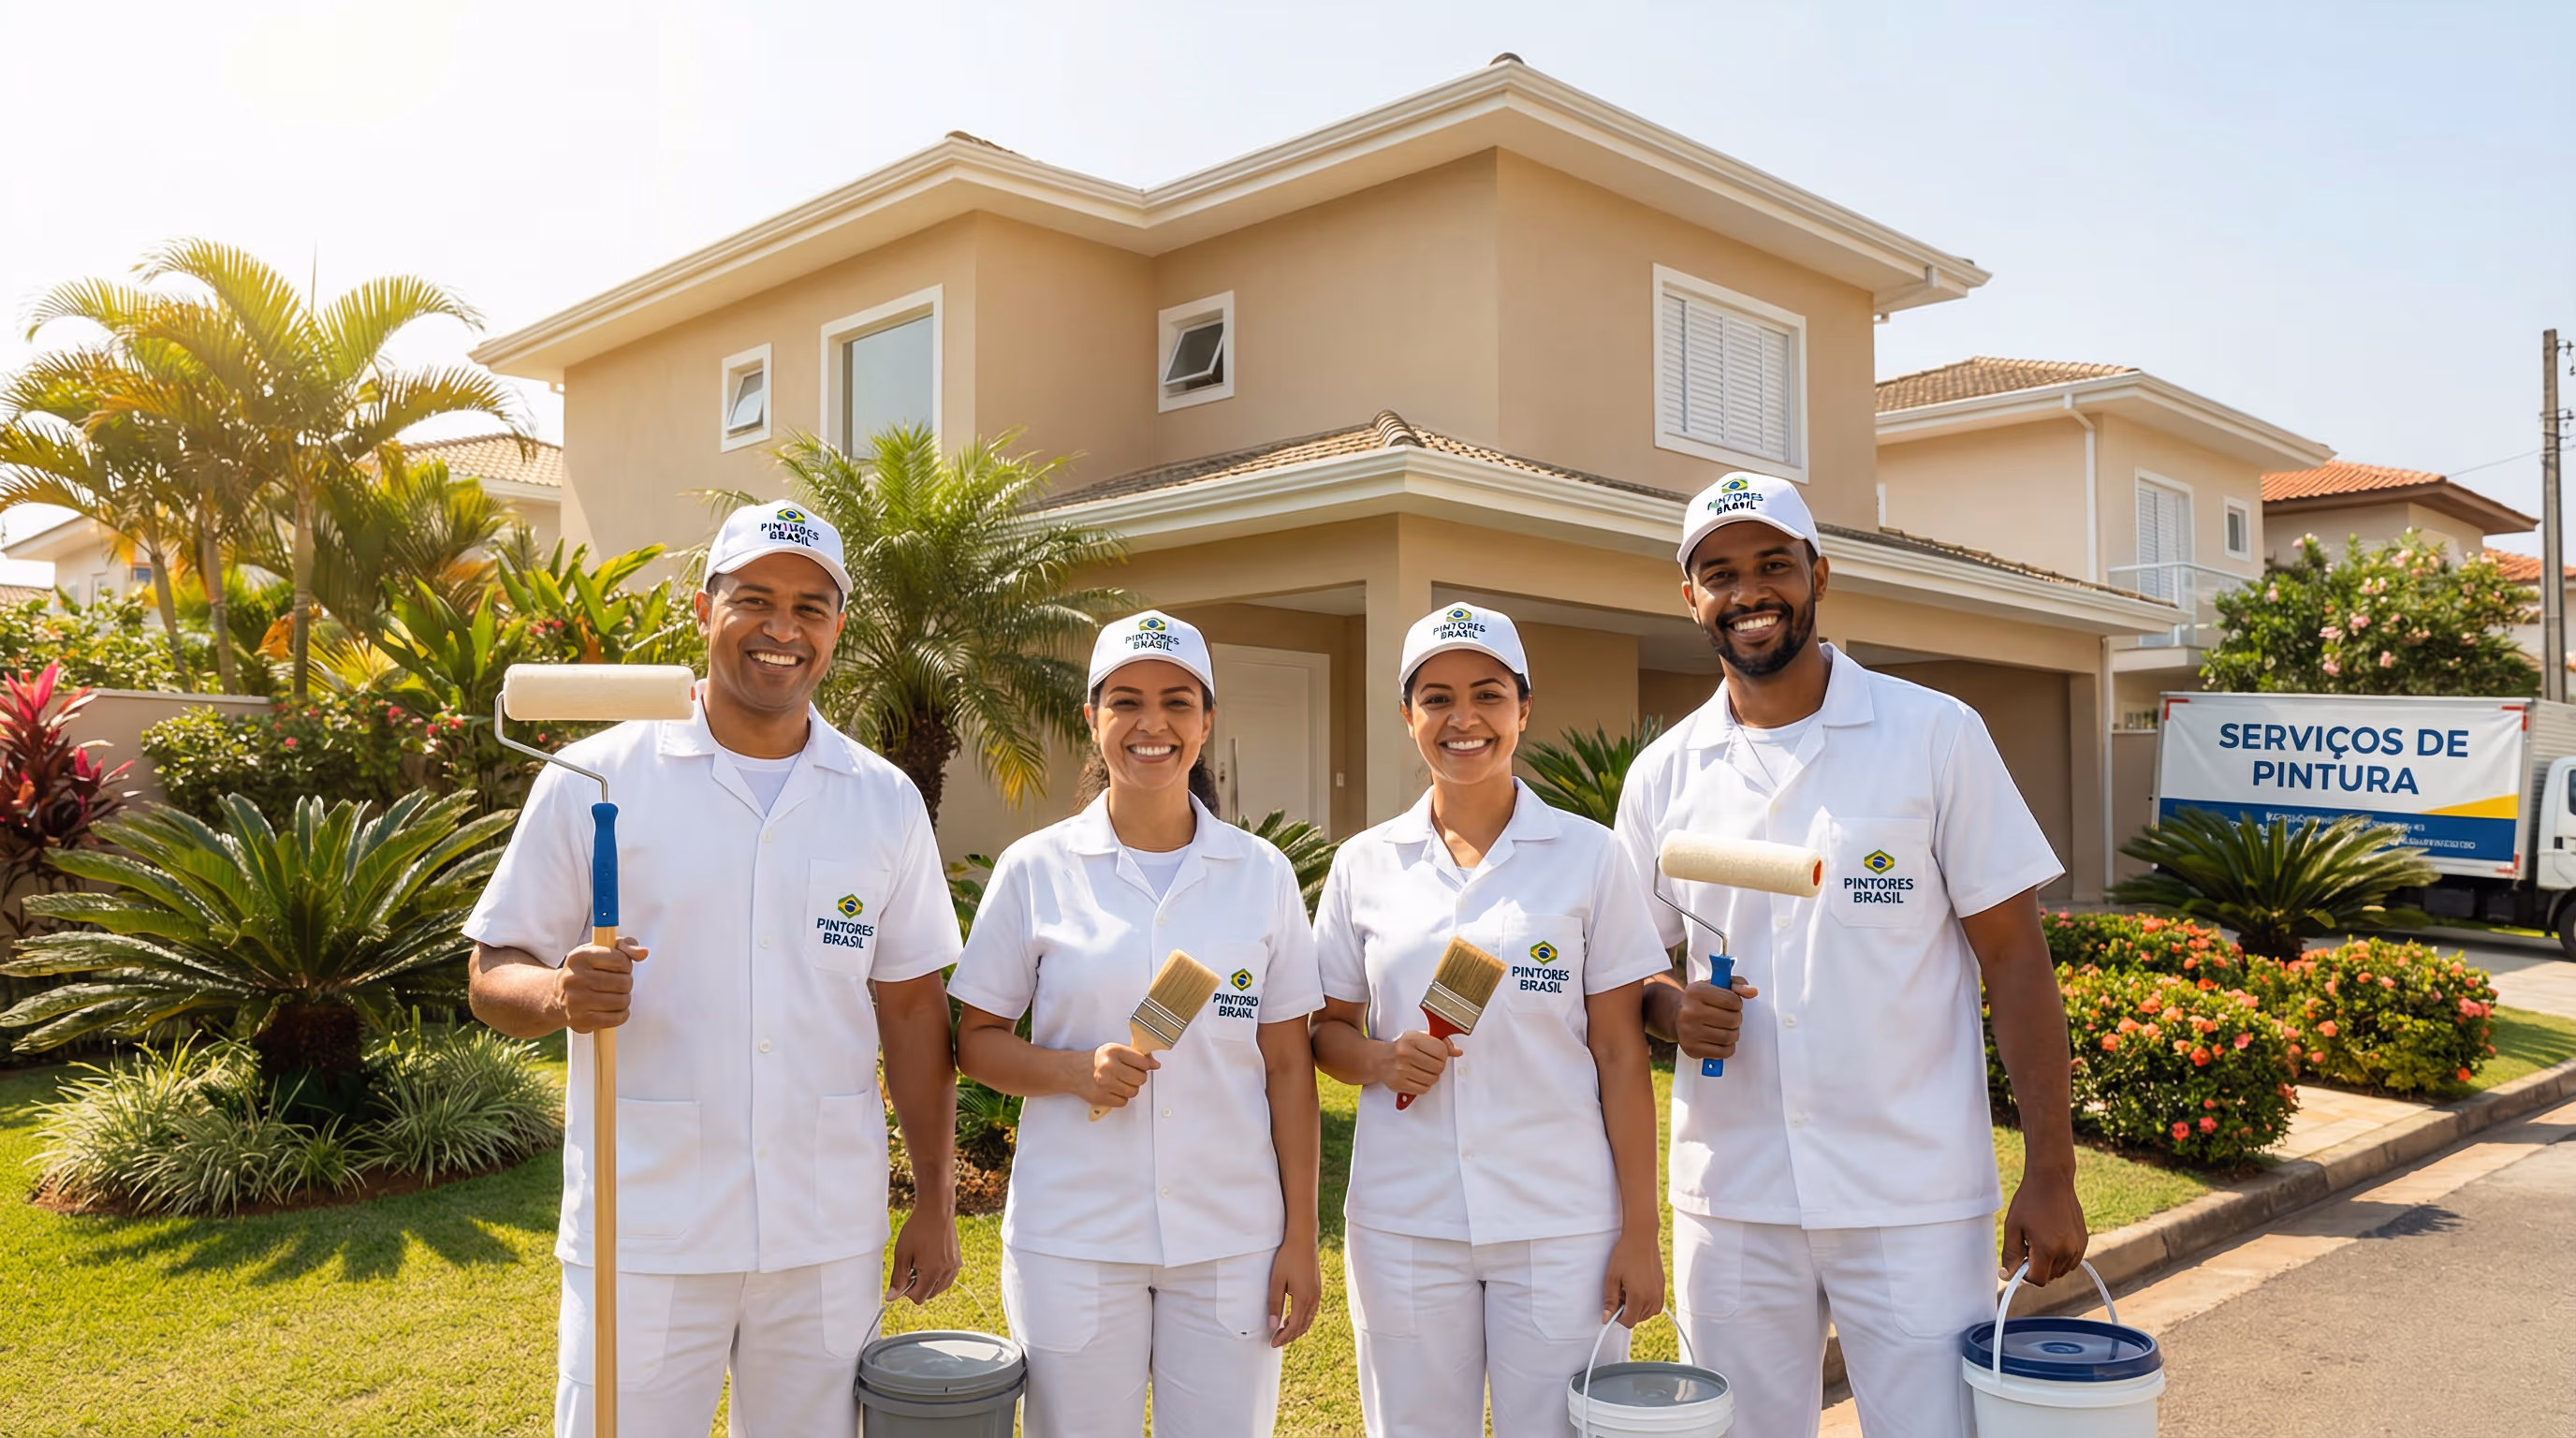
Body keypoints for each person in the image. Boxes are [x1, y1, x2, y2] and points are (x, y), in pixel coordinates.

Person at [465, 500, 963, 1438]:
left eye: (812, 607)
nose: (783, 628)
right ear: (703, 611)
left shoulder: (882, 799)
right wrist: (558, 994)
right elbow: (494, 969)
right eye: (755, 599)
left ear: (837, 630)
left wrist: (934, 1199)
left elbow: (910, 1010)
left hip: (824, 1234)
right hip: (644, 1228)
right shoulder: (592, 777)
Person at [1613, 471, 2086, 1438]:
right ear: (1689, 597)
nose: (1749, 591)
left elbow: (2016, 963)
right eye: (1719, 572)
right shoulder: (1664, 773)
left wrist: (2052, 1168)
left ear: (1819, 573)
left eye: (1773, 565)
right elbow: (1628, 969)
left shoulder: (1934, 735)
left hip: (1910, 1196)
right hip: (1733, 1194)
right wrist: (1671, 1010)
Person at [948, 609, 1325, 1438]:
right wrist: (1070, 1072)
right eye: (1126, 702)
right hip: (1073, 1236)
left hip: (1230, 1237)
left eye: (1177, 703)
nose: (1152, 724)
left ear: (1207, 720)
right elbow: (976, 1042)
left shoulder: (1260, 875)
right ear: (1093, 719)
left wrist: (1301, 1235)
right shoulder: (1034, 870)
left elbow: (1290, 1068)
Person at [1310, 603, 1669, 1438]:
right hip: (1406, 1219)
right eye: (1436, 698)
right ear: (1408, 717)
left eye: (1487, 695)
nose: (1462, 718)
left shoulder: (1589, 856)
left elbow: (1620, 1053)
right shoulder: (1365, 864)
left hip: (1562, 1220)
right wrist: (1378, 1060)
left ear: (1523, 708)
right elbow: (1325, 1029)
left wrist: (1641, 1231)